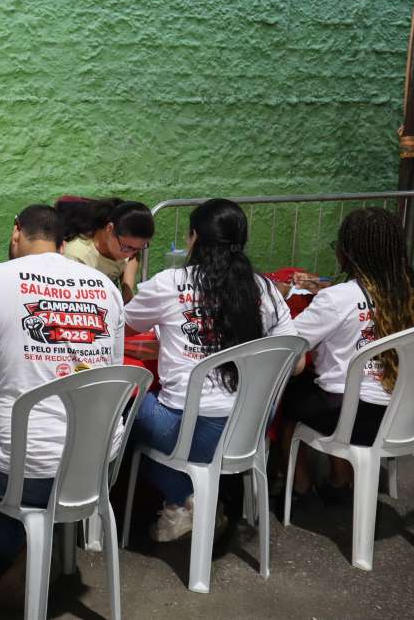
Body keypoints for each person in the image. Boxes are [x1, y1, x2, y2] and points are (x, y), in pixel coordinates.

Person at [0, 205, 125, 598]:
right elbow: (111, 372)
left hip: (24, 472)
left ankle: (22, 546)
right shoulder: (105, 286)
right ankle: (38, 543)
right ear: (62, 245)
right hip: (94, 466)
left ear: (16, 231)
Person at [124, 198, 299, 542]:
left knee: (122, 413)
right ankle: (194, 499)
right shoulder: (266, 289)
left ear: (194, 237)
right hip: (249, 429)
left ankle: (184, 497)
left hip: (187, 429)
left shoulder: (169, 282)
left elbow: (124, 326)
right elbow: (296, 362)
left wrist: (130, 280)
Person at [280, 208, 414, 504]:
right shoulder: (407, 294)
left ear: (348, 254)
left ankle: (300, 486)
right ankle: (340, 479)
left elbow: (288, 342)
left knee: (290, 395)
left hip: (357, 418)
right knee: (330, 388)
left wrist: (280, 298)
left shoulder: (337, 299)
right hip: (405, 414)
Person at [58, 197, 154, 303]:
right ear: (110, 229)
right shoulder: (77, 256)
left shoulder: (125, 247)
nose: (130, 254)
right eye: (127, 247)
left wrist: (127, 287)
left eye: (138, 248)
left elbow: (133, 258)